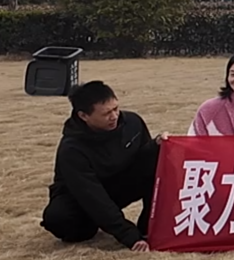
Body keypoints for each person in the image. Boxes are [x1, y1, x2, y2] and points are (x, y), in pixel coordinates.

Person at [41, 81, 163, 251]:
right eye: (106, 113)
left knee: (157, 155)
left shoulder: (133, 122)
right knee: (58, 219)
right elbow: (92, 196)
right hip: (81, 198)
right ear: (84, 116)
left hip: (119, 186)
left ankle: (148, 226)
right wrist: (128, 235)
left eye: (116, 109)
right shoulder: (72, 149)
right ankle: (93, 223)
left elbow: (144, 160)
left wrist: (157, 145)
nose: (114, 116)